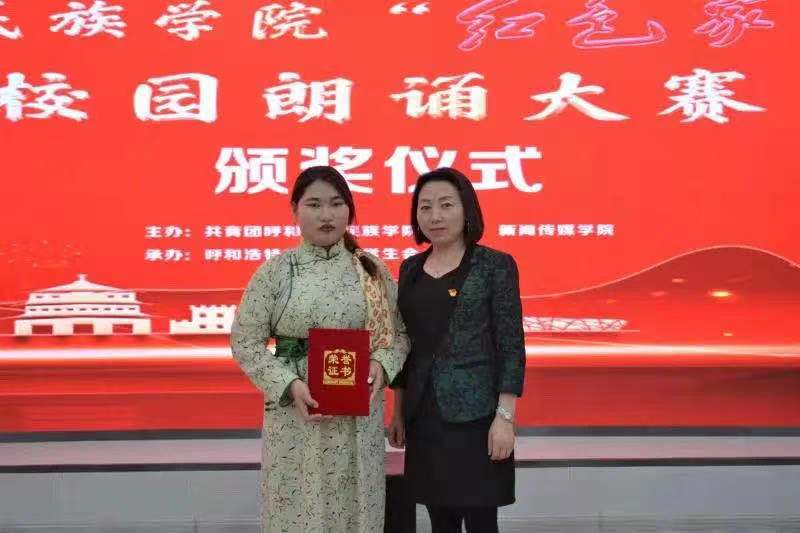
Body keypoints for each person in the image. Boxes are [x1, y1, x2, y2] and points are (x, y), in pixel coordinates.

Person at [231, 166, 409, 532]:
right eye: (314, 204)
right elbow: (245, 341)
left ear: (349, 210)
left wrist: (381, 363)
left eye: (336, 203)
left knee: (356, 510)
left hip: (359, 417)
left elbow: (399, 335)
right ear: (295, 210)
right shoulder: (276, 272)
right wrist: (288, 385)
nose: (326, 215)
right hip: (295, 414)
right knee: (299, 510)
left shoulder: (371, 270)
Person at [388, 167, 526, 533]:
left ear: (467, 209)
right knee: (440, 520)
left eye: (446, 205)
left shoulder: (495, 265)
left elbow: (511, 345)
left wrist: (505, 418)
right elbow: (405, 344)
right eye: (425, 207)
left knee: (481, 520)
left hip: (478, 417)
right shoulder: (410, 268)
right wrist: (398, 412)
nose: (435, 216)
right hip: (424, 415)